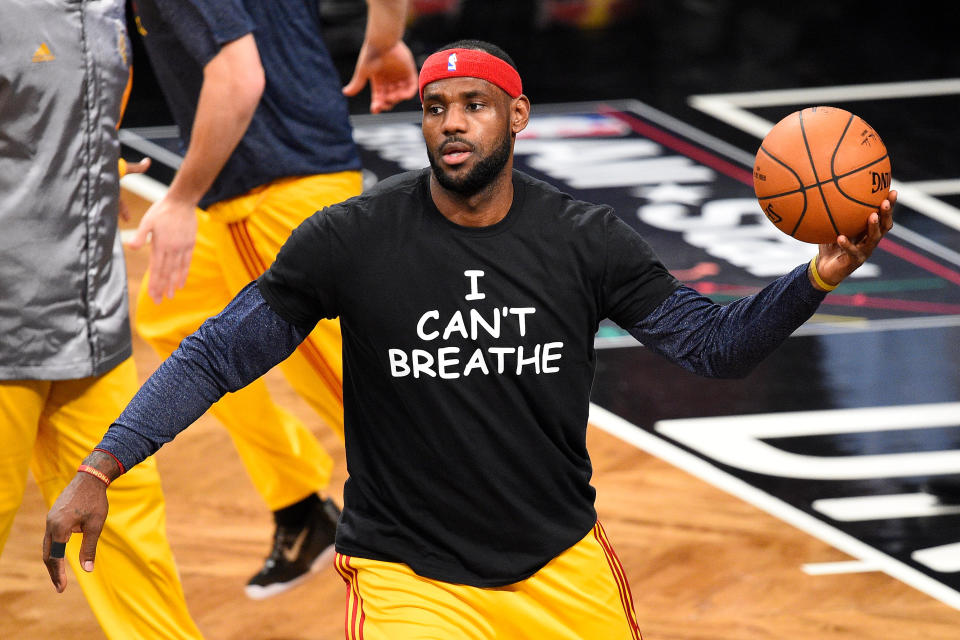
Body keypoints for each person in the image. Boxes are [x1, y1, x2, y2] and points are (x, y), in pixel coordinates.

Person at [44, 40, 896, 638]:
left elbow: (718, 348)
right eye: (436, 107)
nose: (451, 122)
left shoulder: (585, 239)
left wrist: (816, 275)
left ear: (516, 116)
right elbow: (217, 353)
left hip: (559, 563)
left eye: (474, 106)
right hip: (411, 580)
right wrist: (101, 465)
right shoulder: (352, 239)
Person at [123, 0, 417, 598]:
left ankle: (473, 520)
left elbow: (239, 76)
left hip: (271, 194)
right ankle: (300, 503)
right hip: (276, 179)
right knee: (176, 316)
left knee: (359, 398)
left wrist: (179, 199)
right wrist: (386, 39)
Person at [0, 2, 204, 639]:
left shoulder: (110, 10)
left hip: (95, 327)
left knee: (127, 537)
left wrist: (93, 179)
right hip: (6, 333)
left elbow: (53, 131)